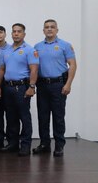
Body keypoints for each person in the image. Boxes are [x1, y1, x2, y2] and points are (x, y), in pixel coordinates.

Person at [33, 19, 76, 157]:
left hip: (59, 85)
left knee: (58, 116)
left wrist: (68, 83)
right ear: (43, 30)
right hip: (42, 85)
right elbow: (33, 67)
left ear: (57, 30)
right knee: (43, 116)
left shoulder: (65, 45)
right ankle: (45, 144)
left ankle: (59, 145)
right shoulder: (37, 46)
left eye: (52, 27)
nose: (49, 29)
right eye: (47, 27)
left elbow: (73, 65)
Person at [0, 23, 39, 156]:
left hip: (22, 87)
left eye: (19, 31)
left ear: (24, 34)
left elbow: (34, 69)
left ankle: (25, 145)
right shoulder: (7, 50)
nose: (16, 33)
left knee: (24, 116)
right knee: (11, 116)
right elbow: (2, 69)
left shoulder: (29, 50)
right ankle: (13, 143)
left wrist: (32, 86)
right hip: (8, 87)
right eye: (14, 31)